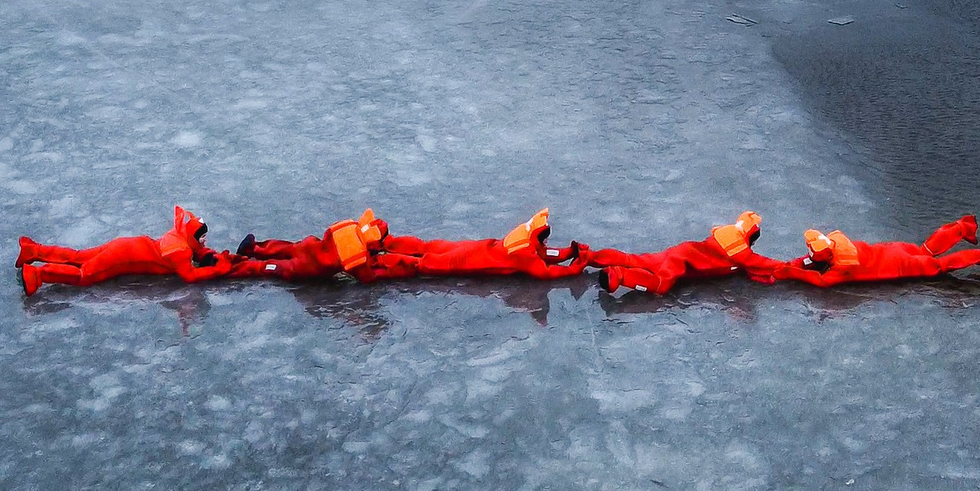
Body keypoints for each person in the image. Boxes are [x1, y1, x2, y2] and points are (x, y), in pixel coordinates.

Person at [15, 205, 231, 295]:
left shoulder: (180, 234)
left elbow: (195, 251)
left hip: (124, 244)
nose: (205, 240)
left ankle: (33, 250)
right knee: (85, 274)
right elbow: (190, 275)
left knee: (79, 257)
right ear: (193, 236)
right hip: (122, 257)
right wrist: (218, 269)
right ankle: (37, 274)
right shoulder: (181, 252)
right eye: (202, 236)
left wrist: (206, 254)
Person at [588, 211, 792, 296]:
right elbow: (758, 262)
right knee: (661, 284)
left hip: (681, 251)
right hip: (682, 262)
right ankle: (618, 275)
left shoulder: (727, 234)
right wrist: (792, 267)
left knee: (637, 259)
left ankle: (590, 256)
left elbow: (745, 266)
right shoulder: (738, 250)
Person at [773, 215, 980, 287]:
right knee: (925, 249)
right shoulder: (836, 241)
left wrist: (787, 271)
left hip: (899, 266)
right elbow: (810, 260)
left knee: (938, 266)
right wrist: (790, 264)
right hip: (893, 249)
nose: (810, 255)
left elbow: (820, 279)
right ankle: (962, 227)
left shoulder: (843, 267)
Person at [380, 208, 590, 279]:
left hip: (475, 247)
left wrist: (569, 252)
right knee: (425, 263)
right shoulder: (526, 256)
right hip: (469, 261)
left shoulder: (525, 235)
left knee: (428, 247)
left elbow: (543, 253)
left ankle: (388, 242)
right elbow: (546, 272)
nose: (546, 242)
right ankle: (379, 264)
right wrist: (575, 268)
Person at [227, 209, 401, 281]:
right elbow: (367, 277)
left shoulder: (350, 226)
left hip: (309, 246)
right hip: (308, 267)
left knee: (285, 248)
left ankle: (255, 248)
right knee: (272, 267)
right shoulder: (357, 256)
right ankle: (237, 265)